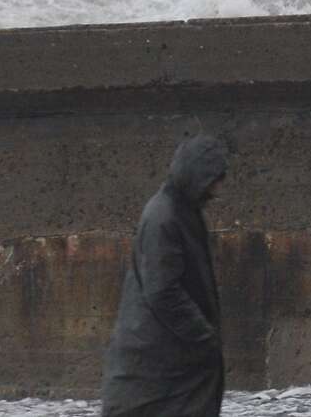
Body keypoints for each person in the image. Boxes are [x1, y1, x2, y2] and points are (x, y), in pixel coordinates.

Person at [102, 134, 229, 417]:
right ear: (196, 175)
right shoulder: (164, 216)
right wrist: (203, 335)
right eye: (214, 179)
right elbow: (162, 291)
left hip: (168, 358)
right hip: (157, 359)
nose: (218, 188)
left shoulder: (182, 211)